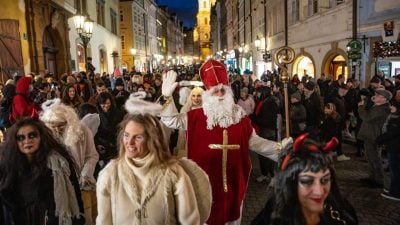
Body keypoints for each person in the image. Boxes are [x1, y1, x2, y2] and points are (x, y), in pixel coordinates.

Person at [160, 59, 292, 225]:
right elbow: (171, 121)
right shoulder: (196, 117)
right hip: (204, 188)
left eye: (223, 90)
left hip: (233, 187)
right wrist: (166, 97)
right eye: (216, 91)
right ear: (208, 93)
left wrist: (281, 149)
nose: (220, 94)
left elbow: (256, 143)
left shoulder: (240, 118)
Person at [96, 97, 212, 225]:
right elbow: (103, 221)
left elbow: (190, 221)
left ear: (152, 140)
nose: (129, 143)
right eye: (126, 135)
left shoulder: (173, 173)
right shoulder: (111, 174)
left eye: (138, 137)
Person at [251, 134, 358, 225]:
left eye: (325, 180)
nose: (319, 191)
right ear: (291, 182)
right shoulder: (273, 214)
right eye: (307, 181)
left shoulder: (343, 211)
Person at [0, 117, 85, 225]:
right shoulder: (8, 166)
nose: (27, 141)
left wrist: (80, 219)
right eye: (21, 138)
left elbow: (75, 193)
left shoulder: (59, 163)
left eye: (32, 135)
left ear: (41, 137)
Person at [40, 99, 99, 225]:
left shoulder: (82, 130)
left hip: (82, 183)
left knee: (85, 218)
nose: (56, 130)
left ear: (68, 122)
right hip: (57, 188)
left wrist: (86, 173)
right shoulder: (44, 137)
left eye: (60, 126)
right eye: (52, 126)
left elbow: (92, 155)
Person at [357, 89, 391, 188]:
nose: (375, 96)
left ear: (384, 99)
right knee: (370, 157)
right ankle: (372, 177)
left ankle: (378, 180)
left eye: (378, 95)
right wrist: (372, 100)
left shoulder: (383, 109)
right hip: (370, 134)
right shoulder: (378, 105)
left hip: (374, 136)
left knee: (375, 158)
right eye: (376, 94)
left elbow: (367, 117)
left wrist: (360, 107)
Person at [376, 104, 400, 201]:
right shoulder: (394, 117)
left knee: (395, 170)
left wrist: (379, 139)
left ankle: (396, 193)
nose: (391, 108)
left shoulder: (397, 119)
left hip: (395, 148)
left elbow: (392, 133)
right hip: (394, 147)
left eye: (393, 106)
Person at [175, 86, 204, 157]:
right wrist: (180, 148)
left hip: (202, 142)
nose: (196, 98)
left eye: (199, 96)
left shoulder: (207, 111)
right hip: (187, 142)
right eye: (193, 96)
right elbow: (181, 133)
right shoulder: (184, 110)